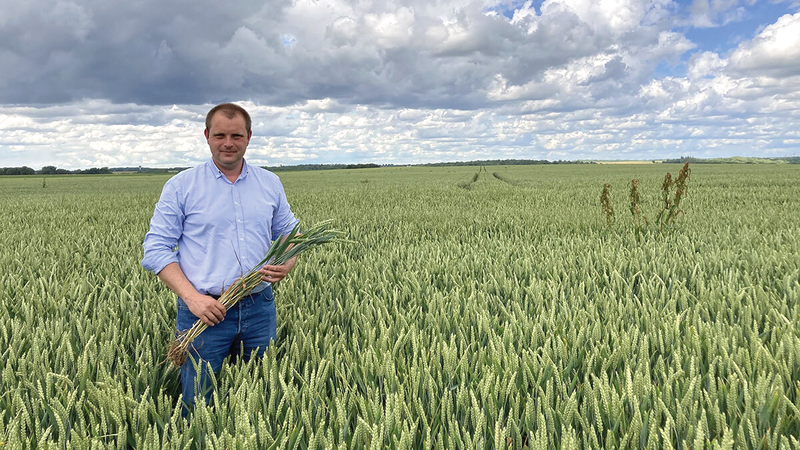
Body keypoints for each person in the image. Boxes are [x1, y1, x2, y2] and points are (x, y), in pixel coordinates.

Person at [141, 103, 299, 414]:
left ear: (249, 137)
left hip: (259, 307)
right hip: (204, 312)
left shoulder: (269, 183)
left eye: (236, 135)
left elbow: (289, 232)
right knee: (197, 403)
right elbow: (156, 249)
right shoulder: (181, 186)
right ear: (207, 136)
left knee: (258, 398)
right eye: (220, 135)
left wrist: (287, 261)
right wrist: (193, 299)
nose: (228, 143)